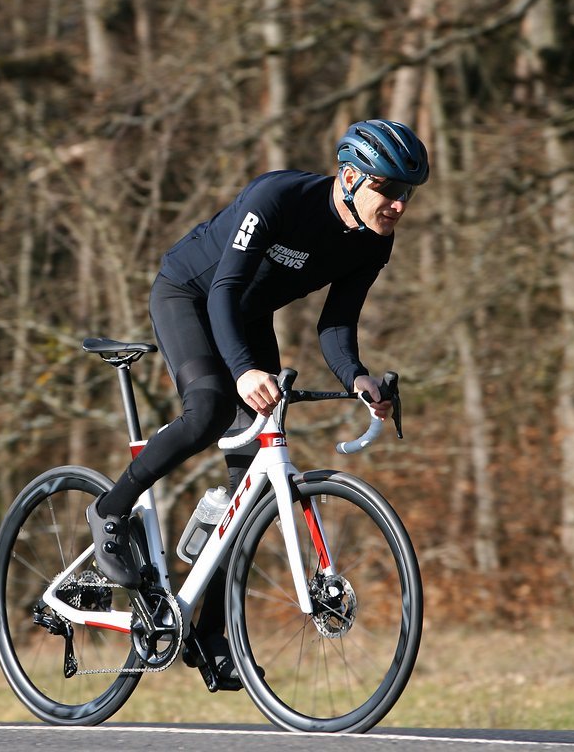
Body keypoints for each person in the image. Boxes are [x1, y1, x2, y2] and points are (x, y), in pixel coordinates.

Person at [87, 118, 429, 688]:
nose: (396, 204)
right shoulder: (278, 198)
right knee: (212, 408)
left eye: (406, 193)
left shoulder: (374, 239)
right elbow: (222, 289)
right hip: (192, 296)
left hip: (247, 316)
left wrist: (358, 378)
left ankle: (212, 633)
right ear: (348, 176)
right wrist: (244, 370)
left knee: (250, 481)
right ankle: (109, 510)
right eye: (386, 189)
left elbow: (337, 322)